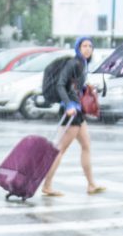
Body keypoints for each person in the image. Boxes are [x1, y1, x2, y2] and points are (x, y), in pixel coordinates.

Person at [41, 35, 105, 198]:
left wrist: (87, 89)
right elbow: (60, 84)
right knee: (60, 149)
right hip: (71, 112)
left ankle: (91, 184)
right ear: (78, 48)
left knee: (86, 146)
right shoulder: (74, 63)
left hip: (78, 112)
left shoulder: (82, 65)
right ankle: (47, 185)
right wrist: (68, 104)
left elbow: (73, 86)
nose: (87, 49)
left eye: (90, 46)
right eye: (84, 46)